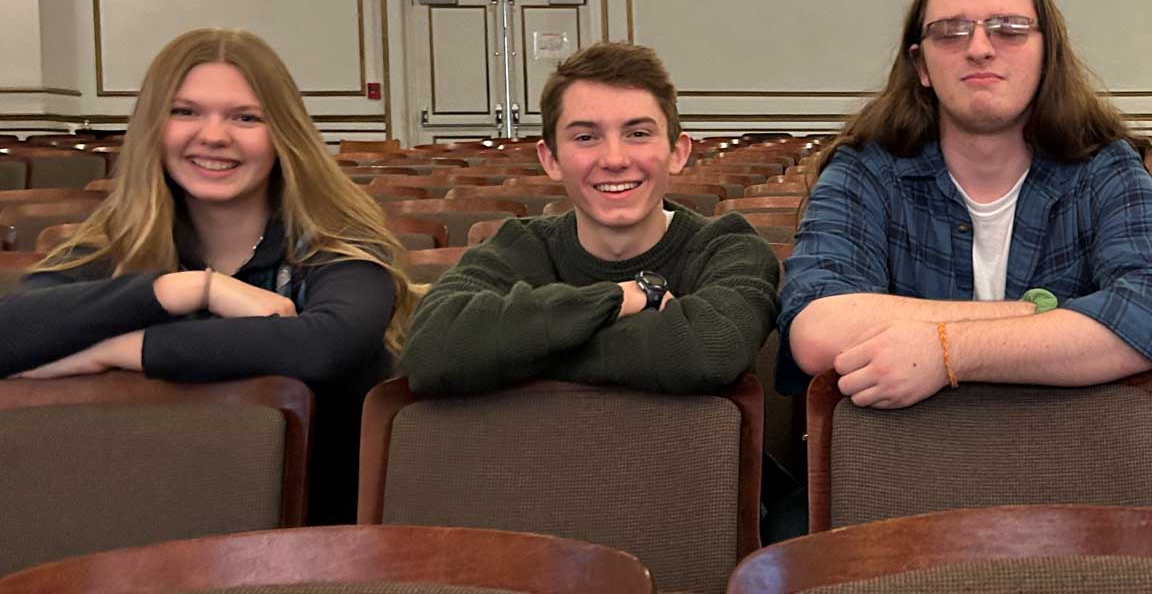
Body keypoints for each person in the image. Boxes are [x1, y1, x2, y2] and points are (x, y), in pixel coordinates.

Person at [0, 28, 416, 523]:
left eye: (246, 117)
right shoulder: (111, 245)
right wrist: (187, 289)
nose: (214, 135)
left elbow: (324, 346)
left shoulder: (338, 241)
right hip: (144, 517)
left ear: (283, 133)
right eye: (185, 111)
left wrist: (111, 350)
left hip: (321, 540)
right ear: (154, 126)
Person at [778, 0, 1152, 410]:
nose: (980, 48)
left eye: (1010, 29)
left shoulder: (1105, 168)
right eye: (950, 32)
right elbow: (818, 328)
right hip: (906, 462)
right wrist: (1033, 313)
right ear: (921, 66)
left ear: (1047, 56)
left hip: (1071, 460)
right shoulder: (865, 171)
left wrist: (947, 353)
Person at [398, 41, 779, 398]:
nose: (614, 159)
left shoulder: (728, 248)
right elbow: (432, 347)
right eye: (585, 138)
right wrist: (623, 297)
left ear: (677, 153)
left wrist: (517, 350)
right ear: (551, 160)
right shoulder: (519, 247)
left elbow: (707, 352)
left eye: (638, 133)